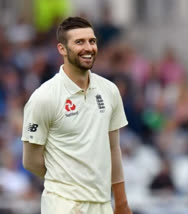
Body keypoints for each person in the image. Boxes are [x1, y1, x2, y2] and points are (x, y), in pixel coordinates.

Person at [21, 16, 132, 214]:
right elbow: (30, 160)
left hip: (101, 203)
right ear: (62, 49)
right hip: (63, 203)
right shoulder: (44, 97)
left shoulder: (110, 90)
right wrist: (67, 181)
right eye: (79, 42)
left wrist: (121, 202)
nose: (88, 47)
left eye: (92, 41)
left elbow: (113, 148)